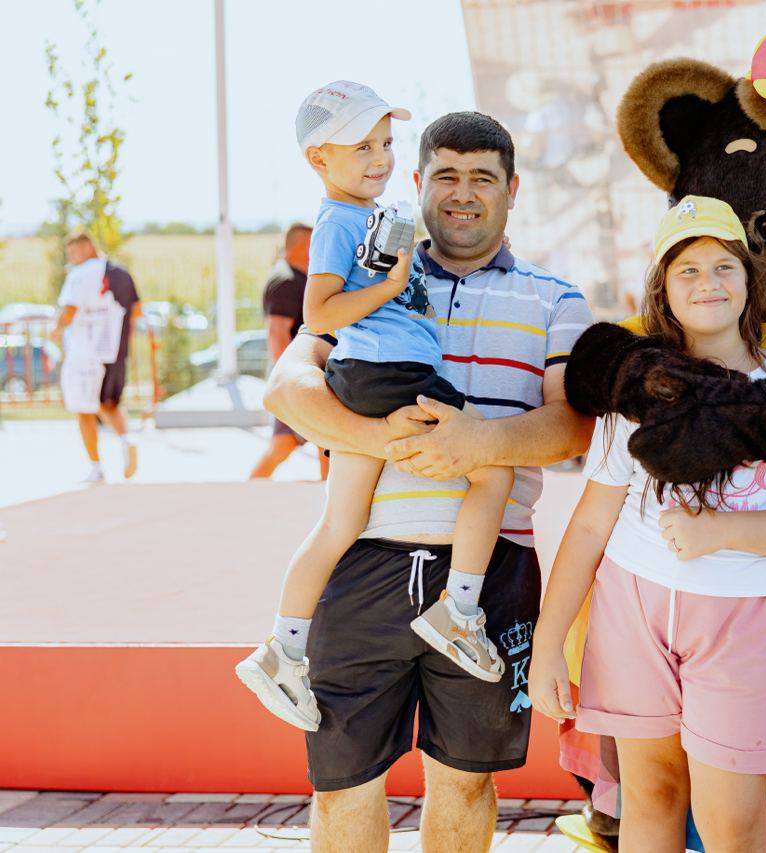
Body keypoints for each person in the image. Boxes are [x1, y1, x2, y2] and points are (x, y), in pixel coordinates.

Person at [263, 109, 593, 852]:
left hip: (493, 569)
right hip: (363, 563)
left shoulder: (556, 299)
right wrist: (384, 438)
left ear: (512, 189)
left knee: (467, 783)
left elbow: (572, 426)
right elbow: (287, 388)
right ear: (417, 183)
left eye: (482, 178)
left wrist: (482, 442)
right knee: (342, 788)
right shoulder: (368, 279)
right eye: (446, 175)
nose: (463, 193)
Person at [529, 197, 766, 852]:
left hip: (744, 620)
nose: (708, 283)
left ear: (749, 281)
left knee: (732, 823)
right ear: (665, 292)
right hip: (632, 612)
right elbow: (590, 524)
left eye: (723, 266)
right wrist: (548, 642)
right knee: (651, 796)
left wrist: (721, 532)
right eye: (688, 271)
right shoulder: (637, 391)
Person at [237, 84, 520, 736]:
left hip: (368, 376)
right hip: (391, 374)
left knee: (341, 521)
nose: (379, 158)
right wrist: (393, 284)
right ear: (319, 158)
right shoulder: (339, 221)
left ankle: (283, 649)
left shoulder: (366, 214)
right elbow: (318, 312)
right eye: (361, 146)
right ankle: (461, 611)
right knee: (493, 470)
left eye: (386, 144)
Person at [51, 232, 142, 483]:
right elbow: (137, 310)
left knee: (83, 410)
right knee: (108, 403)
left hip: (84, 354)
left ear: (87, 247)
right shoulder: (122, 274)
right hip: (114, 352)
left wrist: (56, 331)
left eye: (73, 252)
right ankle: (126, 440)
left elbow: (69, 310)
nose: (71, 258)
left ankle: (96, 467)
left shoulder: (79, 275)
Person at [248, 223, 329, 481]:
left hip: (301, 376)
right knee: (322, 440)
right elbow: (277, 333)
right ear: (303, 245)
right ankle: (329, 495)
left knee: (295, 443)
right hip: (297, 378)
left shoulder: (296, 278)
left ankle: (328, 493)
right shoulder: (286, 281)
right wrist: (292, 379)